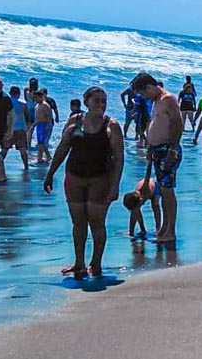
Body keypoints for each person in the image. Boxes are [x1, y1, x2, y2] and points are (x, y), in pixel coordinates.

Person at [43, 86, 125, 279]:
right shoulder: (74, 121)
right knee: (78, 223)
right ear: (86, 101)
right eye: (97, 100)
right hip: (74, 178)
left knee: (97, 223)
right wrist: (50, 173)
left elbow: (119, 159)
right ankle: (79, 263)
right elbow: (63, 148)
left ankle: (96, 264)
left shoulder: (111, 125)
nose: (101, 104)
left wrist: (115, 186)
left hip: (100, 180)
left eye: (104, 101)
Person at [131, 73, 183, 243]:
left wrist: (173, 150)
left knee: (168, 191)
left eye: (143, 93)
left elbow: (177, 123)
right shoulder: (156, 101)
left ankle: (171, 231)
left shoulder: (168, 99)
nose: (143, 97)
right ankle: (164, 228)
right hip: (157, 150)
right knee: (162, 190)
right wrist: (150, 147)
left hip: (167, 150)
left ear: (149, 87)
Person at [1, 86, 30, 170]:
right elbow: (27, 116)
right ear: (19, 94)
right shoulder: (23, 104)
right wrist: (27, 126)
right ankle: (26, 166)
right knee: (23, 149)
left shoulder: (5, 103)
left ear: (10, 93)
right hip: (20, 129)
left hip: (9, 129)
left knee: (4, 149)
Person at [32, 91, 54, 164]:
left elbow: (49, 116)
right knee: (41, 143)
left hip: (44, 125)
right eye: (34, 98)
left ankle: (40, 158)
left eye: (36, 98)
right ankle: (47, 156)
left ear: (41, 97)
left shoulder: (45, 105)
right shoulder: (38, 105)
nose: (35, 99)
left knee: (41, 142)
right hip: (39, 124)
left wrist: (48, 125)